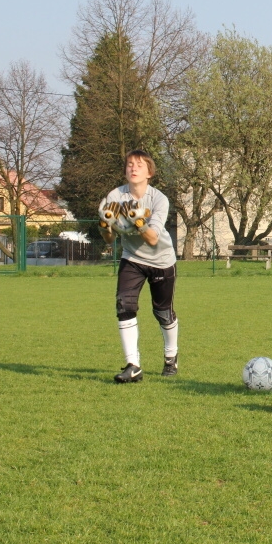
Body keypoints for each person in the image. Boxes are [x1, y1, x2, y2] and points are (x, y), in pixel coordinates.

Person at [98, 150, 179, 383]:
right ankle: (133, 365)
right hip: (132, 258)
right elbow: (108, 240)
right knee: (124, 305)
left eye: (140, 165)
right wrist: (105, 225)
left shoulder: (159, 199)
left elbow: (153, 239)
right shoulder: (115, 196)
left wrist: (138, 221)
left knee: (163, 313)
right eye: (130, 165)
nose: (133, 168)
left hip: (162, 260)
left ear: (149, 172)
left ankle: (171, 357)